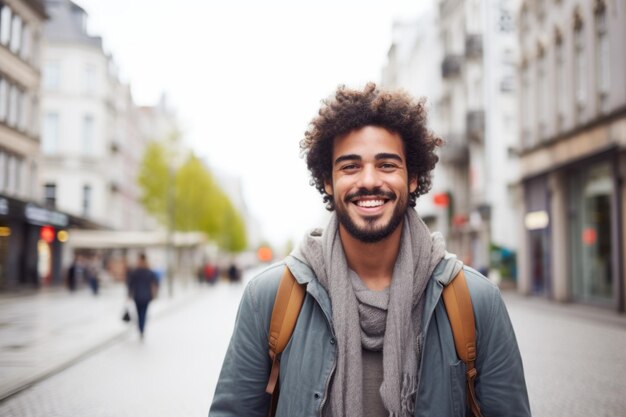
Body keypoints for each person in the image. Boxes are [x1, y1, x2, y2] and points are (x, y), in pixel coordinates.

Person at [209, 84, 530, 416]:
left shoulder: (476, 301)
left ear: (414, 177)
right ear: (328, 182)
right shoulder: (270, 298)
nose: (368, 181)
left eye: (387, 165)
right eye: (350, 166)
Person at [127, 253, 159, 339]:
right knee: (142, 314)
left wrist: (129, 295)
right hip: (143, 297)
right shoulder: (148, 272)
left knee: (141, 313)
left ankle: (141, 328)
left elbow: (130, 284)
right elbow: (156, 283)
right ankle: (141, 328)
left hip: (140, 296)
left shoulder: (136, 272)